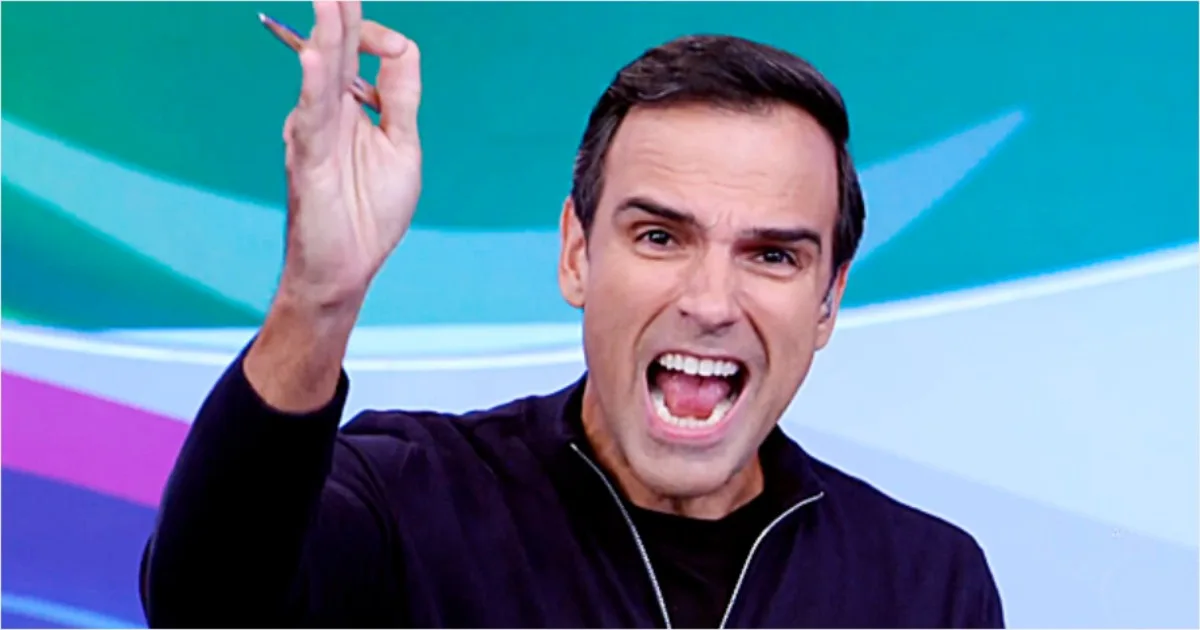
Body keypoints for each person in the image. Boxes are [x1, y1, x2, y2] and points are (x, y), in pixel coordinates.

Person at [139, 2, 1004, 627]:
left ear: (828, 300)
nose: (710, 302)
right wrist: (318, 295)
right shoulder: (410, 499)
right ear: (577, 254)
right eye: (660, 236)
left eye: (773, 256)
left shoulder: (926, 585)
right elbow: (205, 604)